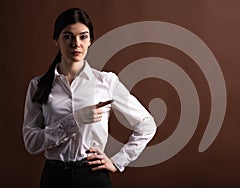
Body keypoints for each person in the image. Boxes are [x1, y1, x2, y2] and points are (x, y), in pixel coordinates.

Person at [22, 8, 157, 188]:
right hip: (54, 177)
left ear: (90, 40)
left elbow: (146, 125)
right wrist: (74, 121)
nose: (76, 44)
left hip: (93, 177)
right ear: (56, 40)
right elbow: (31, 142)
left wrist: (118, 162)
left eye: (83, 37)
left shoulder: (106, 82)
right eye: (68, 36)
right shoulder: (38, 86)